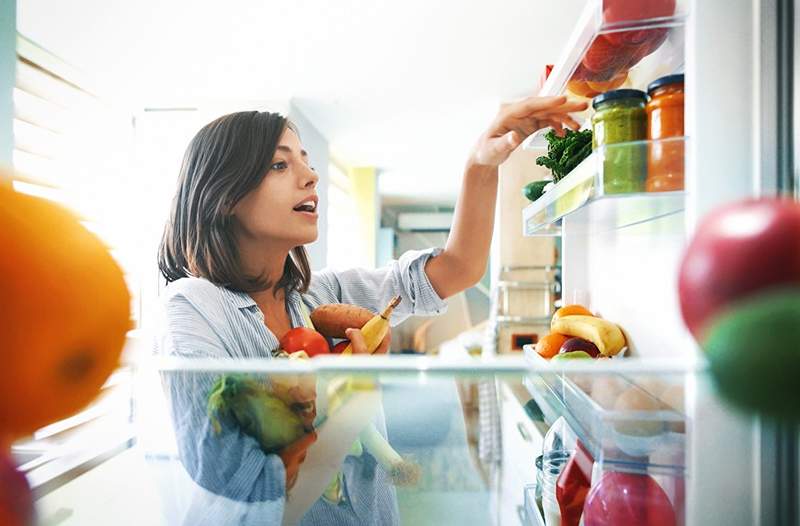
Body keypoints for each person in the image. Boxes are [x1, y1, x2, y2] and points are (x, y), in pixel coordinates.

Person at [154, 95, 585, 524]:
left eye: (305, 160)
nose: (310, 175)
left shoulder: (320, 296)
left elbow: (459, 267)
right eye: (280, 165)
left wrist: (482, 162)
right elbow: (251, 492)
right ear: (224, 194)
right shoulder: (193, 308)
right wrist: (355, 396)